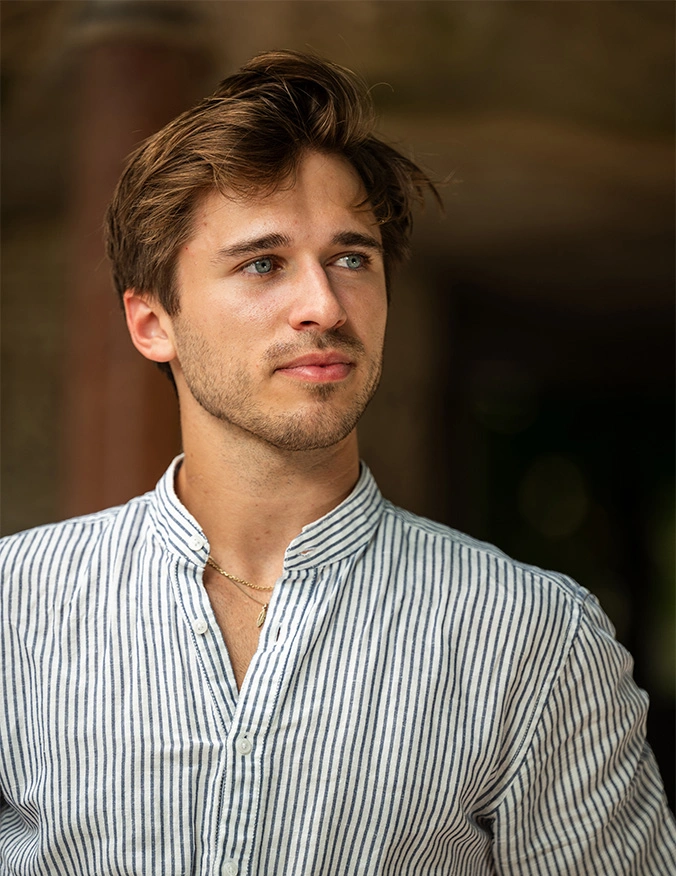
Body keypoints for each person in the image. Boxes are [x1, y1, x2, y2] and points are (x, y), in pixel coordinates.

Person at [0, 50, 674, 876]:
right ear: (152, 322)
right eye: (263, 263)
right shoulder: (14, 609)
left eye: (352, 258)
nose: (323, 304)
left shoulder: (535, 638)